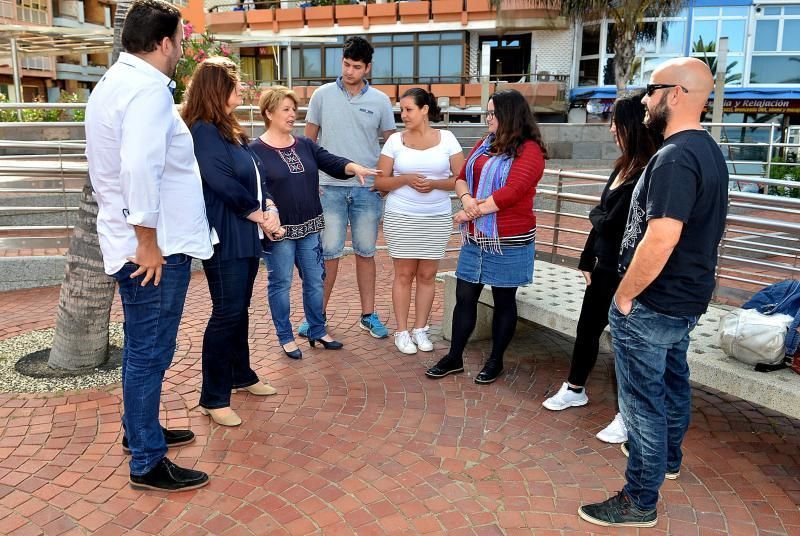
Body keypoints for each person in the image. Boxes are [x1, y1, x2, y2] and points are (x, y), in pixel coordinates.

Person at [578, 58, 728, 527]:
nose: (644, 99)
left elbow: (662, 235)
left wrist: (624, 296)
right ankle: (668, 459)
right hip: (683, 300)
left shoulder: (677, 156)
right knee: (672, 381)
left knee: (642, 403)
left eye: (652, 89)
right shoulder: (706, 150)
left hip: (653, 303)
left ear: (677, 94)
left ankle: (640, 499)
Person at [85, 0, 212, 491]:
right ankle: (146, 461)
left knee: (149, 349)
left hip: (140, 241)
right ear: (164, 44)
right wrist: (148, 241)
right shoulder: (146, 91)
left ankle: (140, 432)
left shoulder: (116, 83)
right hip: (152, 250)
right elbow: (138, 167)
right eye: (179, 40)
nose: (181, 49)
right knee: (149, 351)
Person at [542, 91, 661, 446]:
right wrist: (585, 258)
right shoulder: (621, 166)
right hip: (604, 266)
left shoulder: (646, 171)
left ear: (631, 126)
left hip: (631, 271)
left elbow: (612, 221)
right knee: (587, 329)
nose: (611, 129)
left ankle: (628, 415)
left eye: (615, 122)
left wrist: (599, 219)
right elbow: (603, 220)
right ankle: (575, 387)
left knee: (627, 345)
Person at [182, 57, 281, 428]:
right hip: (227, 234)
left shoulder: (229, 130)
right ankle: (212, 397)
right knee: (226, 313)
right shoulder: (203, 130)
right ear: (217, 89)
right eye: (235, 85)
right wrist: (260, 214)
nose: (241, 90)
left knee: (238, 309)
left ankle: (242, 376)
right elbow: (220, 181)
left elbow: (256, 176)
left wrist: (267, 205)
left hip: (247, 232)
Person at [425, 89, 546, 384]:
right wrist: (466, 200)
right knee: (465, 295)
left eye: (492, 113)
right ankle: (454, 357)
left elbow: (512, 192)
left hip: (509, 239)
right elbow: (462, 175)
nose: (488, 118)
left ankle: (496, 360)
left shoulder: (530, 150)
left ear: (508, 115)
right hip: (478, 237)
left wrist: (471, 212)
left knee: (505, 300)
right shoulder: (485, 143)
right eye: (488, 113)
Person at [250, 86, 381, 358]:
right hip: (279, 232)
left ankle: (317, 329)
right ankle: (285, 337)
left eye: (293, 109)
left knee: (315, 281)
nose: (292, 115)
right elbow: (258, 190)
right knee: (281, 283)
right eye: (285, 110)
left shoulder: (305, 144)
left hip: (310, 228)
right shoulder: (255, 151)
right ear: (268, 113)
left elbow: (331, 162)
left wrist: (353, 167)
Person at [300, 35, 396, 340]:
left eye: (356, 66)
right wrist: (309, 182)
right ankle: (318, 317)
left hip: (367, 190)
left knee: (366, 252)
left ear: (367, 67)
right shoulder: (322, 95)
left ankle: (368, 315)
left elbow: (392, 145)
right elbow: (307, 143)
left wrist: (384, 183)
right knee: (328, 253)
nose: (349, 71)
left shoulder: (380, 101)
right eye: (345, 64)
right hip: (329, 188)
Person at [375, 88, 464, 355]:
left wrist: (435, 184)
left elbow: (462, 177)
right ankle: (402, 332)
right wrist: (405, 179)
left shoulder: (447, 138)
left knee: (427, 275)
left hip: (435, 217)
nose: (404, 115)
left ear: (425, 110)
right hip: (401, 216)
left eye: (409, 109)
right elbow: (380, 183)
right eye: (401, 110)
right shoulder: (394, 142)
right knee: (404, 274)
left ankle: (421, 329)